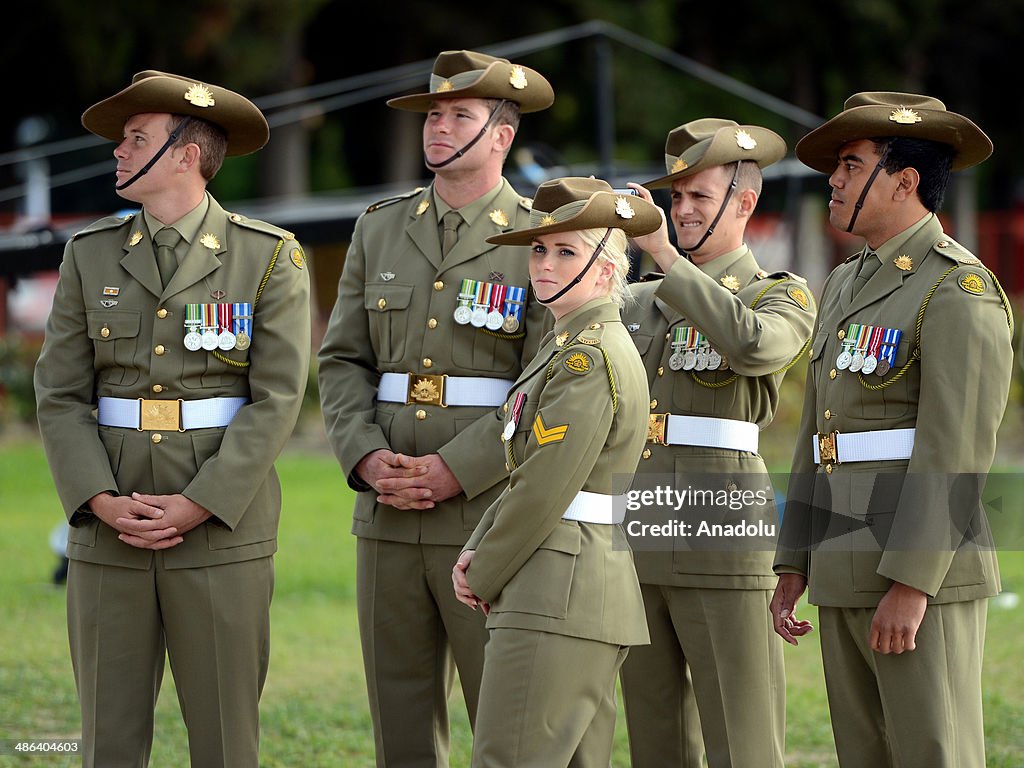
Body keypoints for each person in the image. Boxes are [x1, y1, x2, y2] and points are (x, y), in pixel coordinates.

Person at [33, 71, 310, 767]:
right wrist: (96, 499)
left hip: (220, 525)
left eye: (136, 139)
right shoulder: (87, 252)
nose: (118, 153)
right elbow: (60, 393)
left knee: (224, 737)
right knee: (110, 736)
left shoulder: (267, 254)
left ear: (187, 154)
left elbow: (277, 399)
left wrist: (199, 504)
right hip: (110, 519)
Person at [316, 50, 553, 766]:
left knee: (503, 721)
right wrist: (362, 456)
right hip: (386, 508)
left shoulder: (542, 233)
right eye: (433, 114)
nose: (439, 127)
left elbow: (545, 378)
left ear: (503, 136)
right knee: (400, 723)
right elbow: (342, 360)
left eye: (460, 115)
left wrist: (459, 467)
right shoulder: (380, 227)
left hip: (489, 509)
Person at [770, 92, 1013, 768]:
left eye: (851, 165)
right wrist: (794, 561)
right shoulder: (845, 284)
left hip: (916, 566)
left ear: (905, 181)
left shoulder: (956, 290)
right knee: (865, 754)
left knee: (930, 750)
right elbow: (820, 436)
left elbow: (957, 448)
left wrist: (910, 583)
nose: (834, 181)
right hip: (844, 555)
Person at [617, 119, 816, 767]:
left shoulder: (777, 294)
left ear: (745, 202)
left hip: (721, 531)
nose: (683, 211)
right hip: (636, 528)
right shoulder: (639, 300)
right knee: (655, 739)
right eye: (676, 199)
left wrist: (667, 257)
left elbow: (757, 347)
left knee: (742, 734)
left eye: (699, 196)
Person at [451, 176, 658, 767]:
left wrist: (482, 568)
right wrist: (476, 546)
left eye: (566, 250)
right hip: (571, 587)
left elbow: (546, 485)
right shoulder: (567, 342)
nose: (544, 262)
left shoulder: (585, 355)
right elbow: (530, 471)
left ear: (605, 269)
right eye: (540, 249)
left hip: (556, 592)